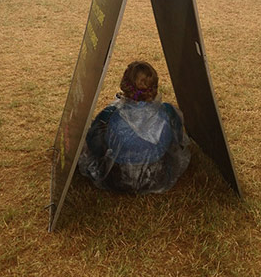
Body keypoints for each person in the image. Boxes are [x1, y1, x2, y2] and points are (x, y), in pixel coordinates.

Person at [78, 61, 191, 194]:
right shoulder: (168, 112)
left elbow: (94, 144)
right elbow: (177, 142)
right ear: (155, 87)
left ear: (125, 85)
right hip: (158, 176)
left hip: (119, 179)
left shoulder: (109, 115)